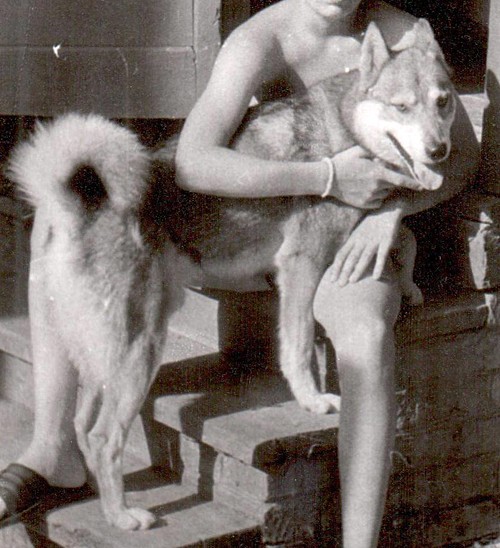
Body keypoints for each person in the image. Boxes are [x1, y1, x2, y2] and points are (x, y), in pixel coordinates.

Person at [0, 1, 479, 546]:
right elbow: (192, 163)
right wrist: (326, 177)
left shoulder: (404, 35)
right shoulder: (259, 39)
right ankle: (52, 448)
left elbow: (461, 158)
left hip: (327, 238)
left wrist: (391, 213)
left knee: (368, 333)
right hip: (226, 236)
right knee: (57, 225)